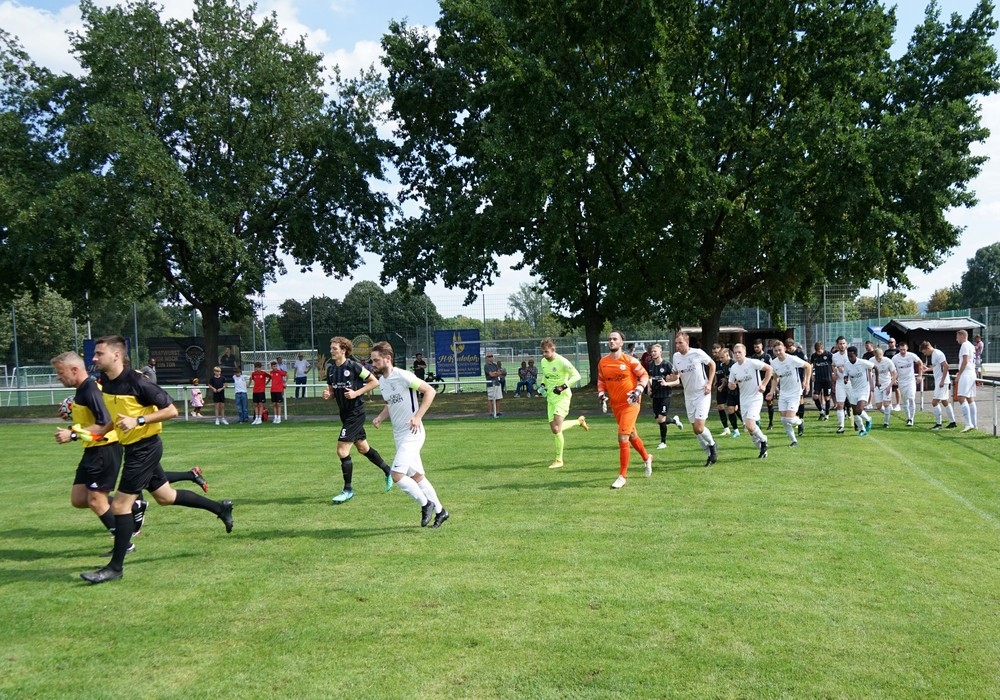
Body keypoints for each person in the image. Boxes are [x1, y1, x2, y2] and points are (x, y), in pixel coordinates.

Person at [79, 335, 233, 584]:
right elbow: (117, 417)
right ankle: (220, 508)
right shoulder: (106, 381)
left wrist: (139, 420)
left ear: (116, 355)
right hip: (133, 447)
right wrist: (95, 432)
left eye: (99, 354)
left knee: (120, 506)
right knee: (166, 497)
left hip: (145, 449)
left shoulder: (138, 381)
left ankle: (115, 568)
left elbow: (171, 410)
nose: (94, 358)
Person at [50, 351, 138, 547]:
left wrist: (72, 434)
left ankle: (124, 544)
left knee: (96, 501)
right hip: (92, 448)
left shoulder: (90, 389)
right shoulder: (82, 389)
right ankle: (132, 505)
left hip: (104, 448)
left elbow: (105, 422)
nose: (58, 377)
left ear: (74, 370)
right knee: (79, 498)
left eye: (61, 372)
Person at [370, 341, 449, 528]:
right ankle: (441, 512)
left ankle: (426, 504)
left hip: (412, 432)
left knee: (396, 475)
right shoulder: (383, 382)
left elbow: (430, 391)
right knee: (417, 477)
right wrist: (380, 417)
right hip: (399, 434)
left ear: (388, 359)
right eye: (372, 360)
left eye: (376, 360)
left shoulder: (403, 375)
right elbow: (390, 404)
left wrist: (417, 417)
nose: (373, 364)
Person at [323, 336, 393, 503]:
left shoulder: (353, 366)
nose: (331, 351)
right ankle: (388, 470)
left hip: (356, 413)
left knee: (342, 450)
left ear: (344, 350)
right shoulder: (331, 370)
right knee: (363, 448)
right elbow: (332, 391)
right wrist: (328, 394)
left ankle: (348, 490)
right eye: (331, 348)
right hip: (344, 414)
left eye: (334, 348)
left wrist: (356, 393)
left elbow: (374, 382)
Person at [597, 330, 653, 488]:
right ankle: (647, 458)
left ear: (621, 342)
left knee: (623, 437)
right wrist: (601, 394)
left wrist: (639, 390)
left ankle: (622, 476)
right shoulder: (603, 362)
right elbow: (601, 380)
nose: (611, 341)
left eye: (615, 339)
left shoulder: (630, 360)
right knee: (632, 435)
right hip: (616, 405)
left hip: (631, 403)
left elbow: (644, 375)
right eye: (610, 339)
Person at [669, 332, 719, 466]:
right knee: (695, 430)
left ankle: (712, 445)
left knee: (699, 428)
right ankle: (709, 455)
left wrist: (709, 383)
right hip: (688, 395)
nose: (678, 345)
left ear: (687, 342)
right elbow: (676, 375)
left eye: (680, 342)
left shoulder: (697, 353)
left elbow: (712, 364)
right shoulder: (676, 356)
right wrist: (671, 378)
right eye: (676, 343)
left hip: (702, 393)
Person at [538, 337, 588, 470]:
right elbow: (545, 376)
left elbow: (577, 376)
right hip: (550, 398)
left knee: (557, 429)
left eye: (546, 352)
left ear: (553, 349)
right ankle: (579, 421)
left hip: (562, 398)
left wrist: (562, 387)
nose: (544, 354)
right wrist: (542, 385)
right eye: (543, 352)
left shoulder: (562, 361)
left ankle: (559, 460)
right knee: (555, 429)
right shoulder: (543, 361)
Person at [728, 343, 773, 458]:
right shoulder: (734, 368)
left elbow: (769, 369)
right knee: (749, 429)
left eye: (739, 352)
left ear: (745, 353)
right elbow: (730, 383)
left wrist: (763, 384)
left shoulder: (752, 362)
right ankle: (763, 451)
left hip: (755, 397)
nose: (737, 355)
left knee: (750, 424)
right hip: (743, 400)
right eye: (735, 353)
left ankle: (763, 439)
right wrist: (731, 385)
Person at [767, 341, 810, 447]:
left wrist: (806, 382)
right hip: (783, 393)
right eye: (776, 351)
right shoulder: (774, 362)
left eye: (780, 350)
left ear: (785, 349)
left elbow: (808, 366)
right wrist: (771, 392)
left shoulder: (792, 359)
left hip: (795, 392)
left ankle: (800, 422)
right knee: (783, 420)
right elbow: (775, 378)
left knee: (789, 418)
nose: (778, 352)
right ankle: (794, 440)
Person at [645, 343, 683, 449]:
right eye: (652, 351)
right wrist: (648, 388)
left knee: (661, 419)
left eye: (655, 351)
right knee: (659, 420)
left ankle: (663, 442)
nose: (653, 353)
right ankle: (674, 420)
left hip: (665, 395)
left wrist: (666, 384)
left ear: (660, 352)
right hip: (655, 395)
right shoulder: (651, 365)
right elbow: (650, 378)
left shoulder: (667, 365)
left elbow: (677, 381)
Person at [920, 340, 957, 430]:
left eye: (925, 352)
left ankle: (938, 424)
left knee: (934, 402)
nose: (925, 354)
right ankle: (953, 422)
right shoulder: (934, 354)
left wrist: (942, 381)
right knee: (944, 401)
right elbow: (937, 367)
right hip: (940, 381)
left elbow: (946, 366)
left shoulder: (937, 353)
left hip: (942, 381)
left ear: (927, 348)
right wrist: (928, 369)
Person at [843, 346, 875, 436]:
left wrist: (876, 381)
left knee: (859, 409)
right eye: (848, 356)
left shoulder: (862, 362)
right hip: (854, 389)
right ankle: (862, 429)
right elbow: (846, 374)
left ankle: (868, 419)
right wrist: (845, 379)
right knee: (855, 412)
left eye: (851, 356)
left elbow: (875, 367)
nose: (850, 358)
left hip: (864, 389)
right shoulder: (847, 364)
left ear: (856, 355)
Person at [891, 340, 923, 426]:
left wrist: (920, 375)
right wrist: (893, 378)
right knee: (905, 400)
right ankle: (908, 417)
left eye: (904, 349)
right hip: (902, 381)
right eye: (901, 350)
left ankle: (911, 419)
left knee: (911, 398)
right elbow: (891, 368)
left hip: (911, 380)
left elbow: (920, 363)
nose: (903, 351)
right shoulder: (895, 358)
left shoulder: (911, 355)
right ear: (899, 349)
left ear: (907, 348)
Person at [954, 329, 979, 433]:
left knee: (961, 397)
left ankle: (968, 424)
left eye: (957, 337)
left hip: (966, 373)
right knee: (970, 398)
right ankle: (974, 424)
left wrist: (959, 374)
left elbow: (965, 360)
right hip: (971, 372)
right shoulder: (971, 346)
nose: (956, 340)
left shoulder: (964, 345)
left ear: (962, 336)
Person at [749, 339, 775, 429]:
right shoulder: (753, 358)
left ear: (761, 346)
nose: (756, 348)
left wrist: (773, 385)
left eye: (758, 347)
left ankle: (771, 423)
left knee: (769, 402)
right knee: (755, 403)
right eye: (755, 347)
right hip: (756, 384)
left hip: (766, 383)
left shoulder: (767, 357)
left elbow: (772, 370)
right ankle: (757, 422)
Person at [714, 347, 739, 437]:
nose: (720, 359)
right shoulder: (723, 365)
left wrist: (735, 383)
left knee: (740, 409)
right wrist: (721, 385)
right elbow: (726, 378)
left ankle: (751, 423)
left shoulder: (734, 364)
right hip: (730, 390)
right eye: (720, 358)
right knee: (730, 409)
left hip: (739, 389)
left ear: (727, 355)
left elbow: (740, 376)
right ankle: (735, 430)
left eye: (722, 357)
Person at [871, 348, 897, 428]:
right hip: (877, 385)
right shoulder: (871, 360)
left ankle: (886, 422)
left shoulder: (888, 361)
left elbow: (894, 374)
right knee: (878, 406)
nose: (878, 360)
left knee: (886, 404)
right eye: (877, 358)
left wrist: (890, 386)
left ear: (882, 355)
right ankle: (887, 413)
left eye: (880, 358)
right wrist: (871, 384)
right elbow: (868, 371)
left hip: (886, 383)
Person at [831, 336, 851, 434]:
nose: (842, 345)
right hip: (840, 382)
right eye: (840, 344)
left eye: (843, 343)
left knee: (854, 404)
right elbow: (833, 365)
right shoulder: (835, 356)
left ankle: (859, 422)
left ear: (846, 344)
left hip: (850, 382)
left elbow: (855, 366)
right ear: (837, 345)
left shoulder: (850, 354)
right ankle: (841, 426)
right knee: (840, 404)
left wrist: (845, 370)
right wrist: (835, 373)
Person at [809, 341, 833, 420]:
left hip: (827, 379)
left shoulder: (828, 355)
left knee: (827, 398)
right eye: (817, 351)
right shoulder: (814, 356)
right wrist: (812, 375)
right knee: (815, 396)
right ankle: (821, 411)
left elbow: (834, 364)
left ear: (822, 349)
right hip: (818, 380)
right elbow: (811, 365)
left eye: (819, 351)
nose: (818, 353)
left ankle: (827, 415)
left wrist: (833, 373)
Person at [484, 352, 503, 417]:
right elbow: (491, 375)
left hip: (497, 383)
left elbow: (500, 373)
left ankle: (498, 412)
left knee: (498, 398)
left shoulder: (495, 365)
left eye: (491, 356)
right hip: (491, 384)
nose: (491, 357)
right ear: (486, 358)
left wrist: (495, 373)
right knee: (490, 399)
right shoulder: (486, 366)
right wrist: (495, 373)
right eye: (489, 356)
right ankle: (490, 413)